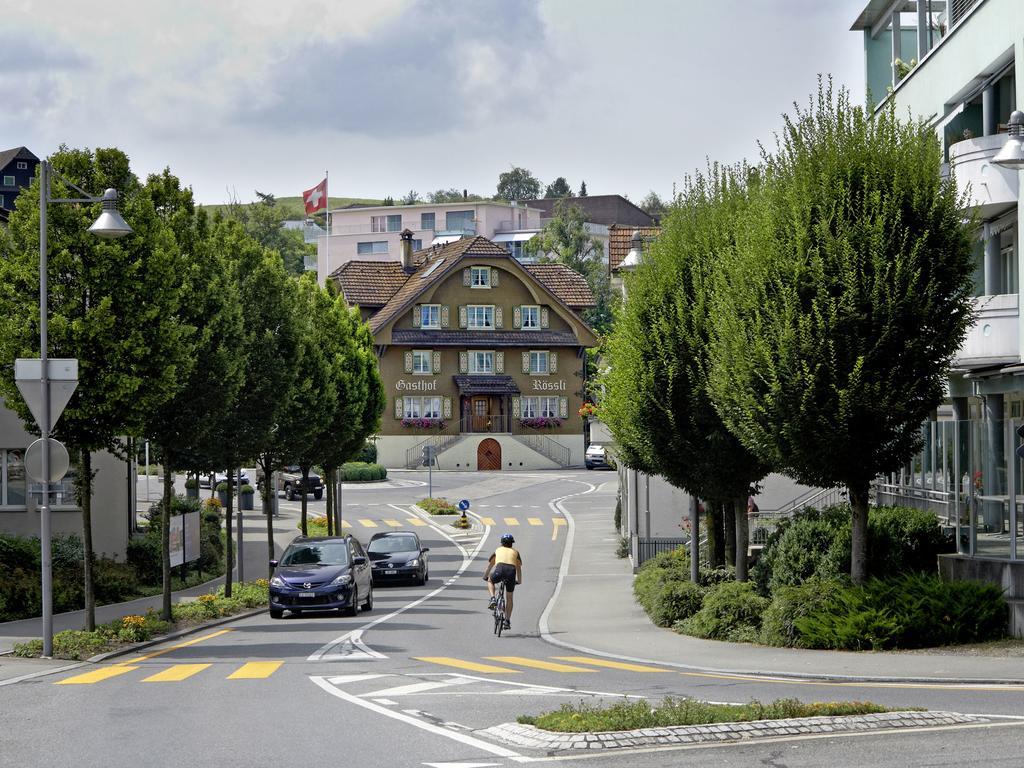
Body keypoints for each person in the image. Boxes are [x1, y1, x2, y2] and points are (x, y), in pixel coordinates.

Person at [483, 533, 522, 630]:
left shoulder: (498, 550)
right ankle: (507, 621)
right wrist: (519, 580)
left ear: (501, 543)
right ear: (512, 544)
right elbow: (518, 568)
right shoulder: (516, 552)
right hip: (511, 572)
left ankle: (492, 599)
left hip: (500, 569)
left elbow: (491, 565)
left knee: (490, 581)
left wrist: (485, 576)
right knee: (509, 598)